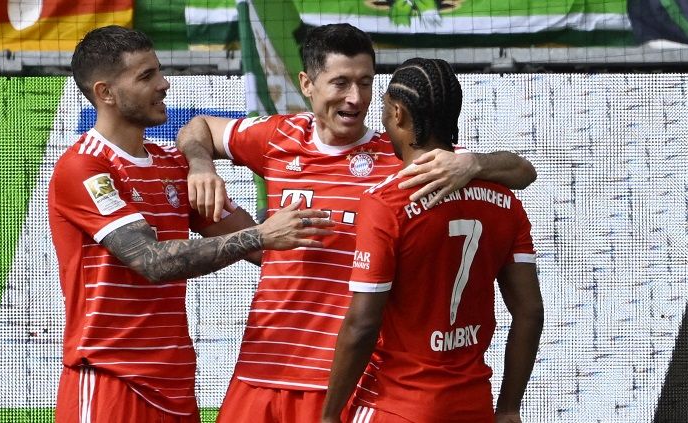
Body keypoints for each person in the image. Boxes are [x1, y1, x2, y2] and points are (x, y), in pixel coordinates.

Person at [176, 24, 537, 422]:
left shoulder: (403, 158)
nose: (355, 98)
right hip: (261, 370)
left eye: (366, 83)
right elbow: (199, 128)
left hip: (341, 384)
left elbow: (522, 172)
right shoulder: (279, 136)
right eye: (341, 82)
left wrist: (475, 162)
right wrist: (200, 165)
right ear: (307, 84)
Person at [49, 25, 332, 423]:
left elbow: (263, 250)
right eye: (146, 76)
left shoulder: (171, 165)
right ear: (105, 93)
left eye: (159, 71)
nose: (164, 84)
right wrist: (261, 233)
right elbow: (152, 262)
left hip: (175, 385)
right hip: (109, 381)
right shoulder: (85, 166)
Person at [320, 58, 544, 423]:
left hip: (396, 404)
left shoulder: (385, 203)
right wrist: (508, 408)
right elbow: (530, 312)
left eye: (383, 110)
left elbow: (362, 325)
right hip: (474, 406)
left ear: (397, 113)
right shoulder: (505, 199)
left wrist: (328, 416)